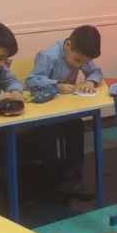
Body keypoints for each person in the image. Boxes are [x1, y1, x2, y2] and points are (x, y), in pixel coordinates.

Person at [25, 25, 103, 195]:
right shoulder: (48, 56)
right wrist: (56, 85)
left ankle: (74, 179)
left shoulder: (80, 52)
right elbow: (31, 81)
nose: (80, 65)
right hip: (44, 113)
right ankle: (54, 182)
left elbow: (96, 71)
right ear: (68, 45)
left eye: (84, 62)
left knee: (76, 126)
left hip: (65, 111)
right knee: (49, 133)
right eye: (78, 61)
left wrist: (90, 81)